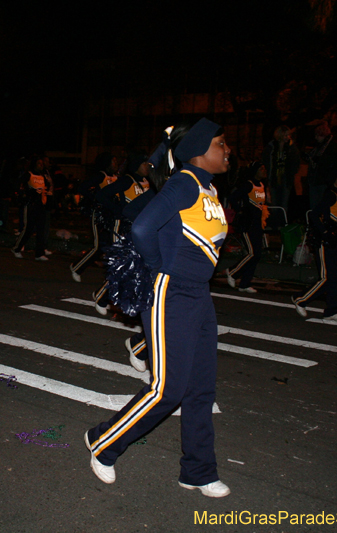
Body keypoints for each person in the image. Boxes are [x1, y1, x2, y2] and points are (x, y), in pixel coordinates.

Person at [85, 118, 231, 498]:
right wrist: (157, 268)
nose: (227, 149)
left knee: (201, 389)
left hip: (199, 295)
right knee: (167, 389)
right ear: (199, 150)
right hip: (173, 293)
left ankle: (198, 471)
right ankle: (103, 441)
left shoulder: (209, 188)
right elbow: (142, 228)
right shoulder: (185, 183)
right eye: (221, 143)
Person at [90, 152, 150, 315]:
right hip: (123, 228)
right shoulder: (127, 181)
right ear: (137, 165)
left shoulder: (148, 182)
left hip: (140, 229)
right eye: (145, 164)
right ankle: (101, 297)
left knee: (138, 267)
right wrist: (118, 210)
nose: (148, 167)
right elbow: (102, 195)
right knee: (122, 265)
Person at [292, 169, 337, 322]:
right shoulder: (330, 195)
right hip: (325, 243)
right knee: (326, 278)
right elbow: (314, 214)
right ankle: (300, 299)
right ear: (333, 179)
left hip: (335, 242)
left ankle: (331, 311)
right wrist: (325, 232)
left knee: (335, 278)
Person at [69, 152, 118, 282]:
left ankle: (112, 276)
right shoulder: (100, 176)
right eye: (113, 161)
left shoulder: (117, 177)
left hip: (112, 216)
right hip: (99, 215)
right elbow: (82, 187)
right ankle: (77, 267)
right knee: (99, 247)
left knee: (112, 245)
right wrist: (96, 199)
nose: (116, 163)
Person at [225, 161, 267, 293]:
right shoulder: (249, 184)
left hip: (257, 224)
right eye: (261, 168)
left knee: (257, 255)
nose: (264, 170)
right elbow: (233, 197)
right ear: (255, 170)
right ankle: (232, 272)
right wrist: (240, 211)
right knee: (252, 253)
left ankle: (245, 283)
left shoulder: (262, 185)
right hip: (248, 224)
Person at [12, 156, 51, 260]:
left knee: (41, 229)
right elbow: (17, 184)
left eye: (42, 164)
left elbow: (47, 187)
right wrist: (26, 194)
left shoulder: (43, 176)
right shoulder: (29, 174)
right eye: (39, 163)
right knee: (28, 229)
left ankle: (39, 253)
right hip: (31, 205)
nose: (41, 166)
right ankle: (17, 248)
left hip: (40, 205)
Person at [304, 122, 337, 213]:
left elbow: (332, 163)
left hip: (324, 181)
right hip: (316, 181)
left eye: (317, 135)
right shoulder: (320, 147)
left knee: (322, 206)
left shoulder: (332, 147)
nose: (316, 138)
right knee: (315, 206)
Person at [262, 125, 300, 215]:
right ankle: (275, 219)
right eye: (285, 135)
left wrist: (292, 173)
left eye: (288, 135)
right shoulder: (271, 147)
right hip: (274, 177)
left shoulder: (291, 147)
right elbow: (266, 160)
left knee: (284, 202)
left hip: (286, 178)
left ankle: (283, 219)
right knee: (274, 201)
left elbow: (295, 162)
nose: (287, 137)